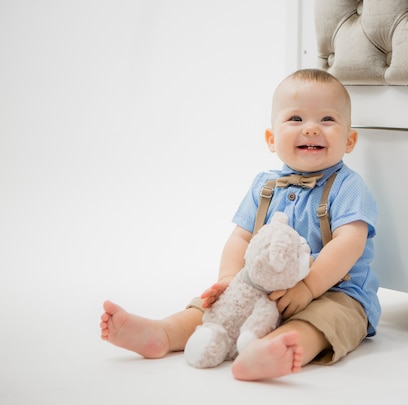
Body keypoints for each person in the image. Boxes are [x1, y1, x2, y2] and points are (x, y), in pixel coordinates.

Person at [100, 68, 380, 381]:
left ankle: (273, 350)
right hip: (264, 288)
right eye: (296, 119)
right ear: (271, 139)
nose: (312, 129)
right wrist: (231, 280)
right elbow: (240, 238)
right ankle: (164, 333)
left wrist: (308, 287)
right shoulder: (265, 186)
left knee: (321, 321)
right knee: (219, 308)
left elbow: (349, 243)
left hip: (334, 291)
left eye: (327, 120)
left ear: (350, 139)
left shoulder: (348, 187)